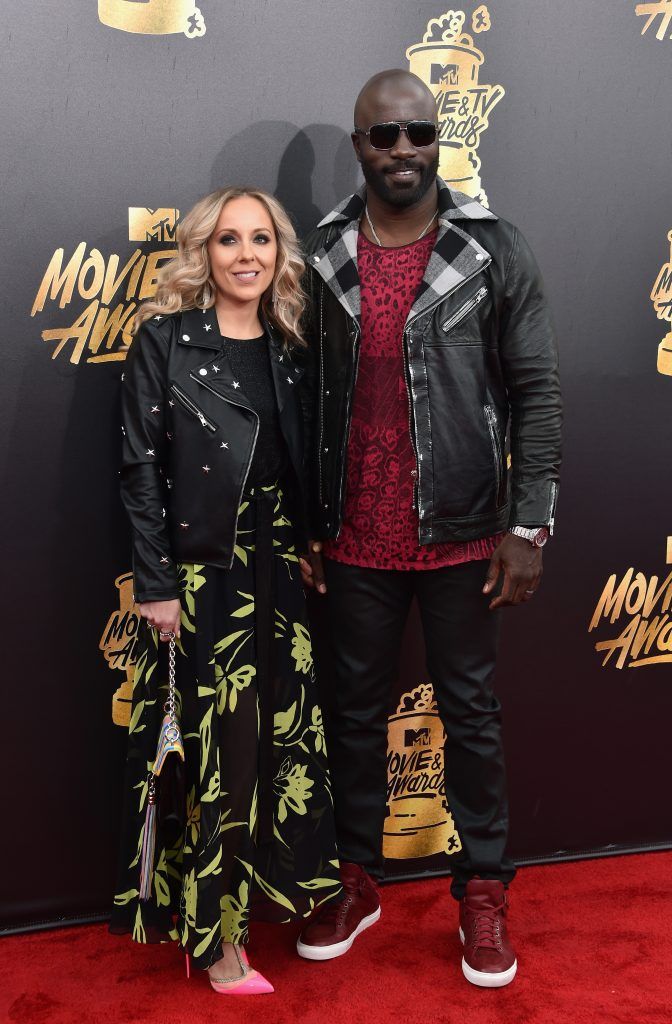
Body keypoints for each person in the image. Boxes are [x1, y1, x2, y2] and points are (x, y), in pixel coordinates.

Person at [297, 70, 562, 988]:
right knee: (353, 716)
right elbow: (302, 400)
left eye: (419, 134)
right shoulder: (324, 251)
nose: (403, 151)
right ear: (359, 143)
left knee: (472, 720)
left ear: (438, 138)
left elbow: (536, 393)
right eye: (384, 137)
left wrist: (530, 525)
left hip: (463, 535)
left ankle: (483, 892)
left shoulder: (492, 247)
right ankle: (357, 879)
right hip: (352, 538)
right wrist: (305, 523)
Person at [110, 186, 341, 995]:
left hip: (278, 576)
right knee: (219, 760)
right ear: (204, 252)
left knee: (277, 752)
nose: (248, 254)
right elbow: (140, 469)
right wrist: (157, 582)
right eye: (230, 240)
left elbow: (293, 465)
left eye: (264, 240)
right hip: (204, 580)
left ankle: (250, 910)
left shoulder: (288, 346)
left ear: (280, 254)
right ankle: (211, 941)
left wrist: (309, 543)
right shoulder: (165, 342)